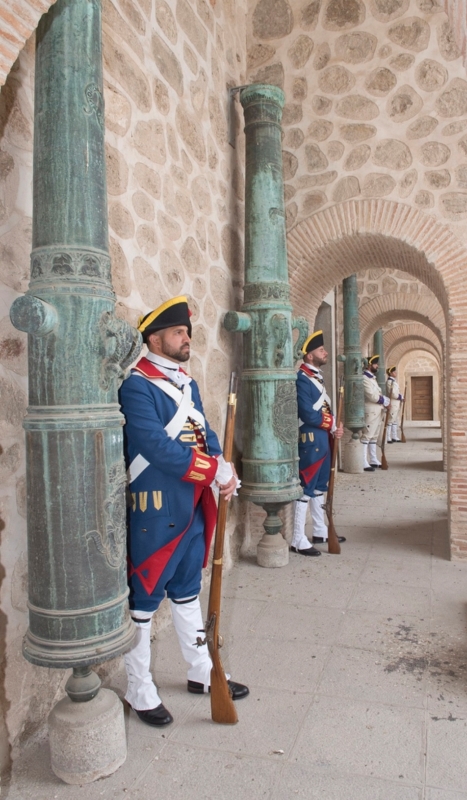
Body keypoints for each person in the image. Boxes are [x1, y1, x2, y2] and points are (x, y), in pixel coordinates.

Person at [119, 296, 248, 727]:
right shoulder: (136, 386)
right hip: (157, 509)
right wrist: (211, 469)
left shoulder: (184, 384)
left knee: (188, 591)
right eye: (178, 332)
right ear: (155, 338)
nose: (185, 338)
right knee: (144, 602)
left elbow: (205, 431)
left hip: (193, 504)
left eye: (186, 332)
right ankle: (139, 689)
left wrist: (223, 469)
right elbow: (155, 446)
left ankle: (201, 671)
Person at [290, 330, 345, 557]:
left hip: (323, 439)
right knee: (305, 488)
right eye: (321, 350)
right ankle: (297, 538)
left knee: (320, 487)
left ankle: (320, 531)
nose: (326, 353)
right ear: (310, 356)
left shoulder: (316, 377)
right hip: (310, 439)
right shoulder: (302, 379)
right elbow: (308, 415)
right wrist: (331, 423)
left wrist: (334, 427)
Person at [361, 355, 390, 471]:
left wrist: (385, 401)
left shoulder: (372, 378)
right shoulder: (364, 378)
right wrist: (384, 400)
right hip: (371, 411)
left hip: (377, 410)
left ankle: (373, 458)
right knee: (367, 435)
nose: (377, 366)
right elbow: (371, 395)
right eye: (375, 364)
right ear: (369, 365)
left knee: (374, 436)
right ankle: (363, 460)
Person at [386, 366, 404, 443]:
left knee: (395, 420)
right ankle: (388, 437)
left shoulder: (394, 382)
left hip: (397, 403)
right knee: (390, 420)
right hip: (393, 402)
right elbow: (393, 393)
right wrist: (400, 396)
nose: (396, 373)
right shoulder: (390, 382)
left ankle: (394, 436)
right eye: (394, 372)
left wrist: (401, 397)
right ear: (390, 373)